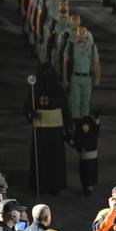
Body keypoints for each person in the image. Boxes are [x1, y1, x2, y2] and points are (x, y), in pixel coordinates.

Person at [24, 63, 71, 195]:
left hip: (53, 129)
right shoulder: (35, 89)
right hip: (41, 129)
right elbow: (27, 107)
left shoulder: (58, 90)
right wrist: (31, 113)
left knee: (53, 159)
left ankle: (54, 185)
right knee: (42, 158)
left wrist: (68, 127)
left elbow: (65, 109)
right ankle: (40, 183)